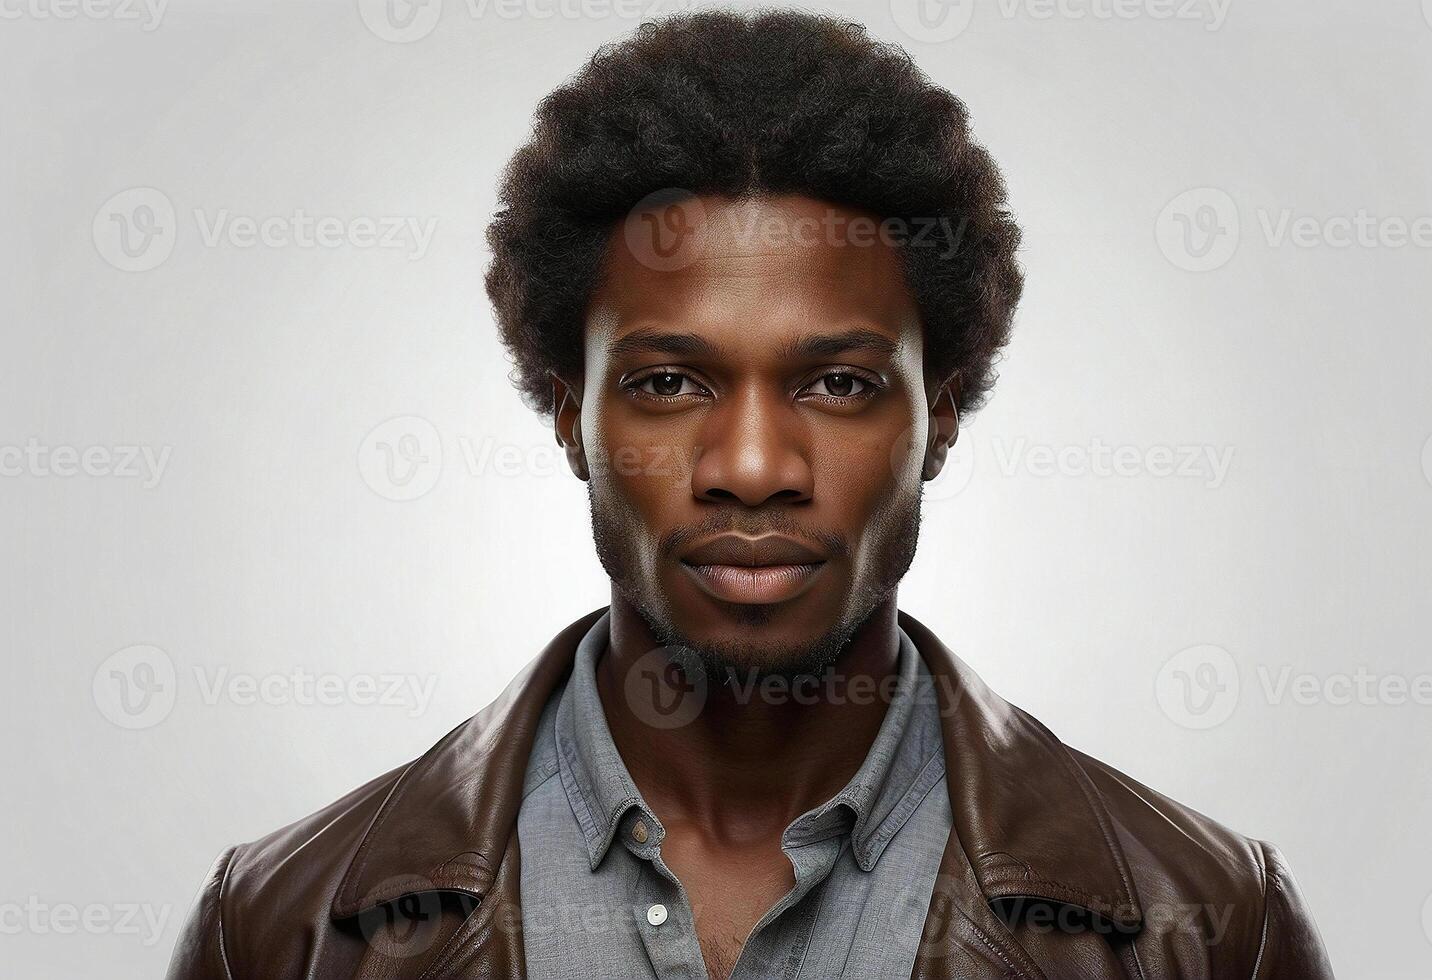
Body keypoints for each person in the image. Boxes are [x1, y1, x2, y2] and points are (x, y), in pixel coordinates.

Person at [167, 10, 1333, 978]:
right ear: (570, 411)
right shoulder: (282, 929)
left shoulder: (1211, 924)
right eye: (671, 380)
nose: (754, 465)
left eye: (836, 381)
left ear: (945, 413)